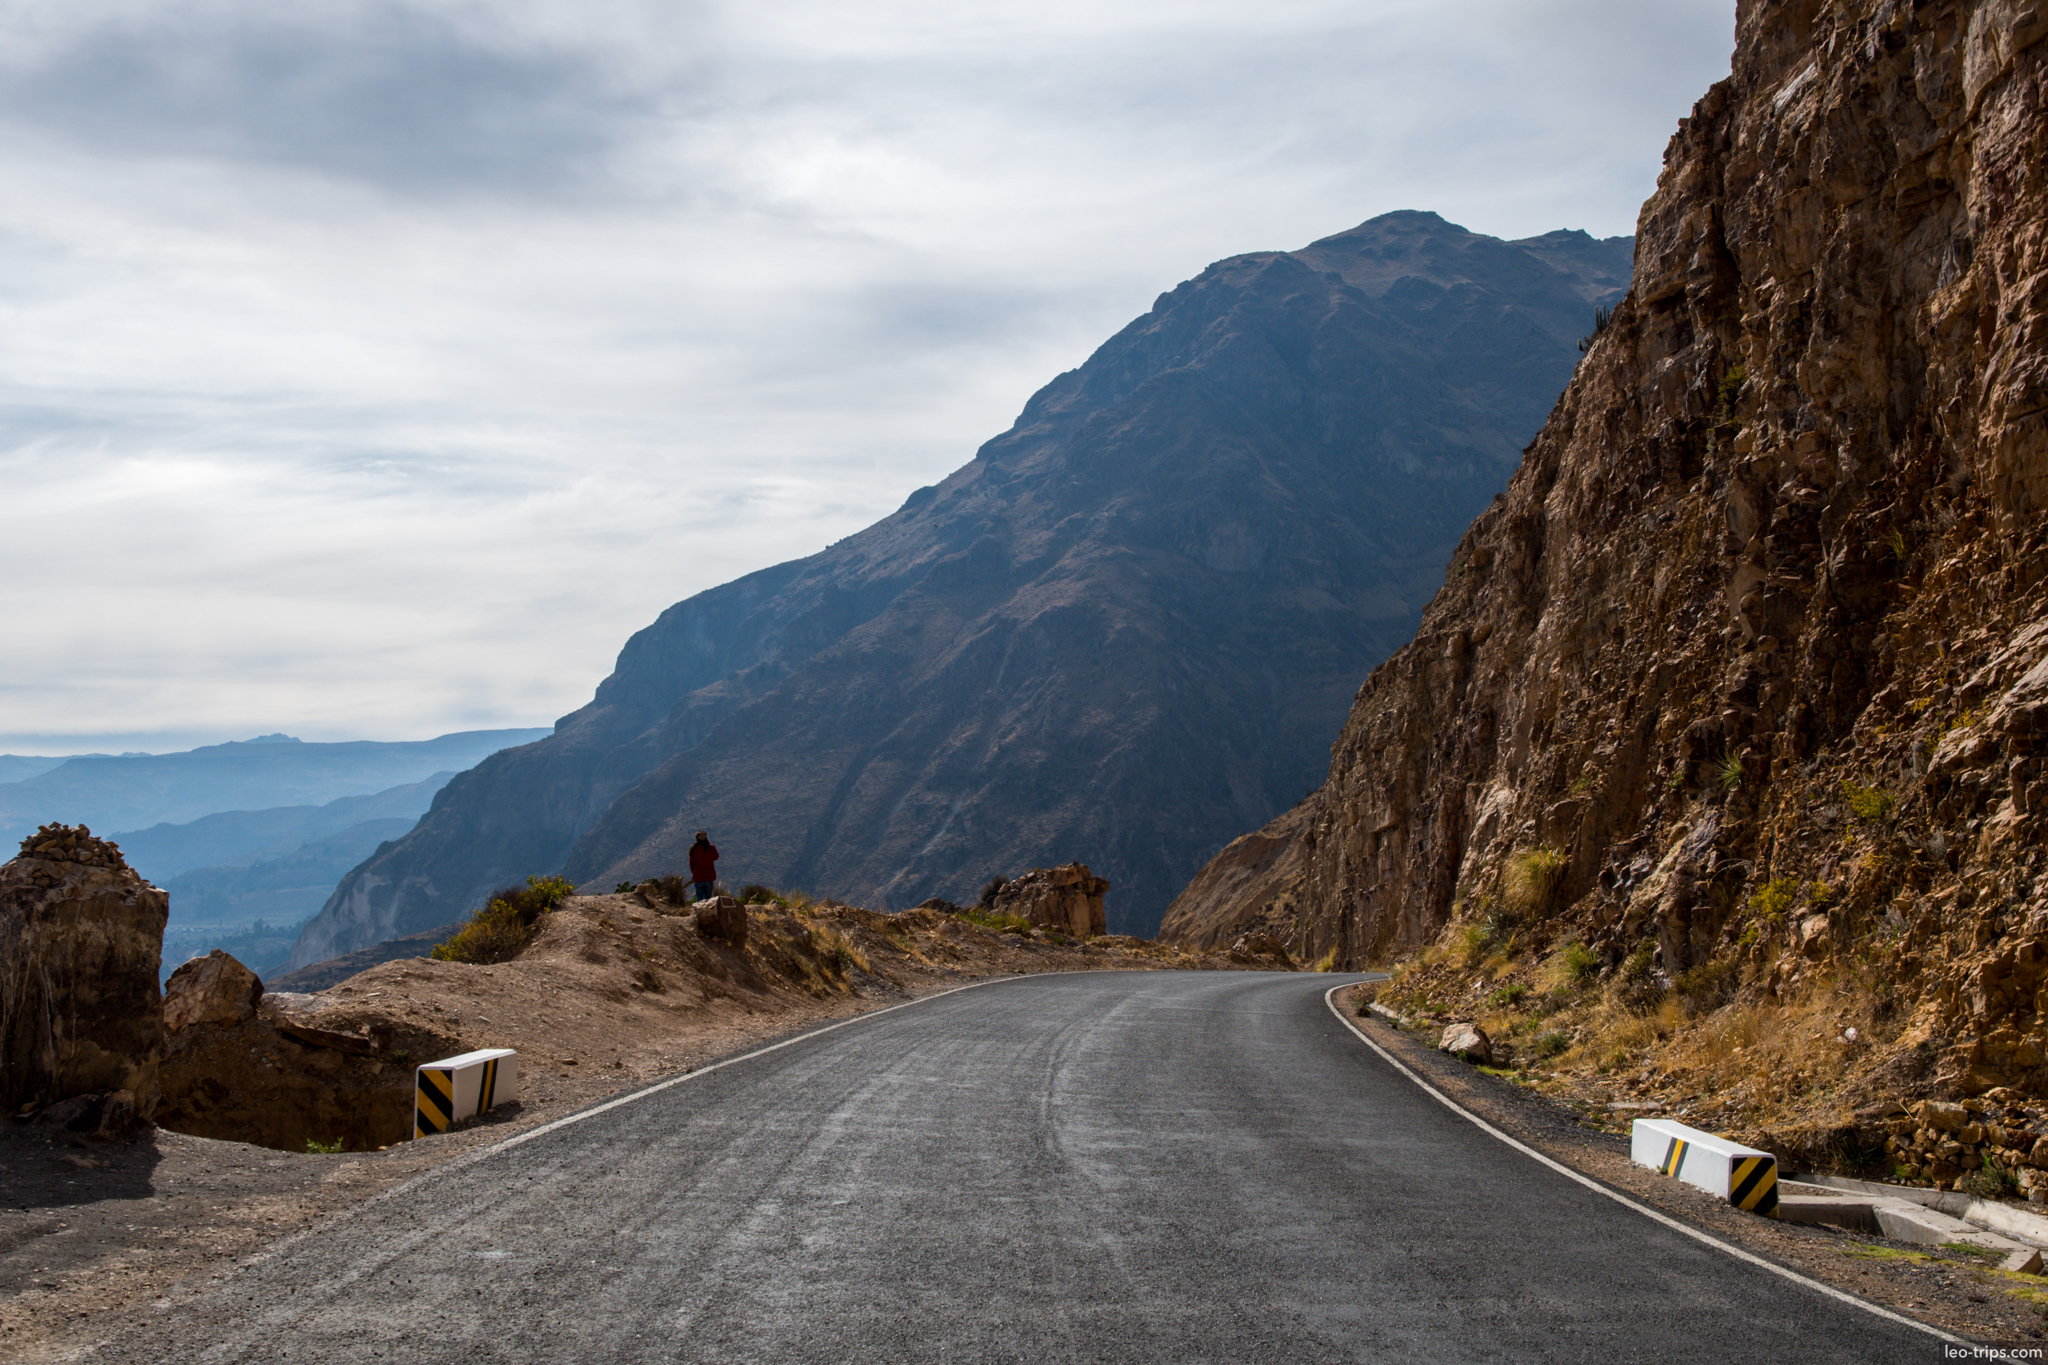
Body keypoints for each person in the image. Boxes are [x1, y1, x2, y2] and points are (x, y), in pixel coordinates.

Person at [688, 831, 718, 901]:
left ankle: (700, 911)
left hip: (698, 877)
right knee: (708, 899)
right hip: (709, 876)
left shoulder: (694, 849)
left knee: (699, 899)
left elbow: (691, 864)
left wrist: (695, 873)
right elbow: (716, 857)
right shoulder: (711, 848)